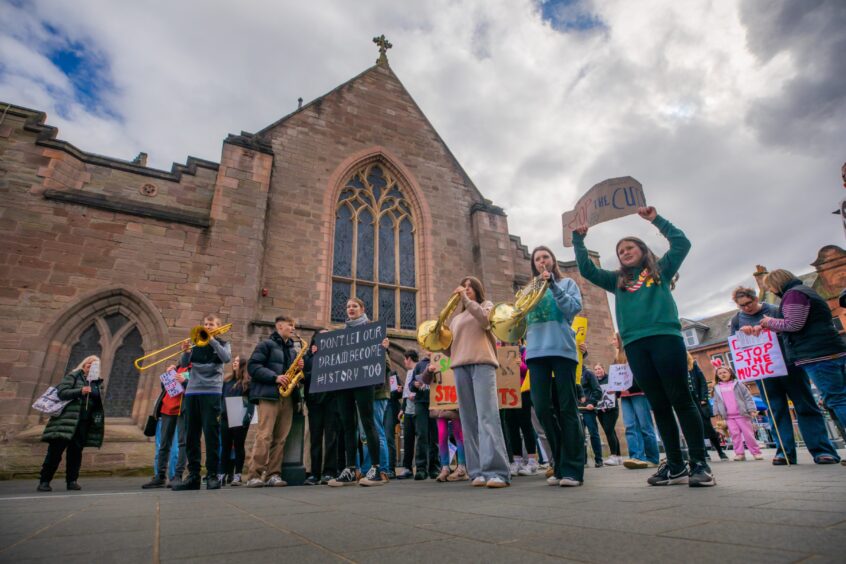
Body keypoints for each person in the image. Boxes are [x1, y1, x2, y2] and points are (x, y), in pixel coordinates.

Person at [573, 206, 715, 487]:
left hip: (665, 338)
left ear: (641, 249)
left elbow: (682, 243)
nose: (624, 252)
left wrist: (655, 219)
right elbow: (587, 270)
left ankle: (699, 462)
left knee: (681, 399)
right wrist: (579, 240)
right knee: (659, 405)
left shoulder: (661, 270)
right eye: (620, 250)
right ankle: (675, 464)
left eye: (629, 247)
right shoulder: (617, 280)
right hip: (636, 346)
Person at [732, 288, 840, 464]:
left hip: (789, 366)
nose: (747, 308)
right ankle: (784, 452)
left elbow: (794, 330)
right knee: (776, 410)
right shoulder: (737, 319)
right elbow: (735, 347)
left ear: (755, 298)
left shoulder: (774, 310)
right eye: (742, 305)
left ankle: (822, 451)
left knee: (805, 406)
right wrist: (741, 334)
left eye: (749, 303)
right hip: (764, 372)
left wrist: (771, 326)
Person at [438, 276, 510, 488]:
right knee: (468, 421)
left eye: (470, 287)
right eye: (464, 287)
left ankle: (497, 471)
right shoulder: (456, 319)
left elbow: (486, 321)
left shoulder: (486, 306)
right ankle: (476, 471)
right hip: (460, 366)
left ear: (478, 290)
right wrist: (437, 339)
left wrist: (466, 300)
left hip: (482, 363)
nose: (466, 289)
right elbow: (450, 349)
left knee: (487, 416)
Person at [525, 246, 585, 487]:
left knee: (567, 409)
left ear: (552, 261)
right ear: (534, 264)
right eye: (537, 259)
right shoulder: (529, 289)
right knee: (541, 409)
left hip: (562, 350)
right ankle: (558, 464)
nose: (542, 261)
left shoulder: (567, 283)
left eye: (545, 257)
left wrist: (552, 286)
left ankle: (573, 469)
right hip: (535, 353)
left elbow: (573, 309)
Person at [759, 270, 846, 432]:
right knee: (839, 397)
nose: (771, 290)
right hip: (831, 349)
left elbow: (794, 324)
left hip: (817, 355)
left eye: (770, 286)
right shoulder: (805, 291)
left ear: (777, 283)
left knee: (837, 400)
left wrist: (770, 322)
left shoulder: (794, 295)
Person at [328, 298, 388, 487]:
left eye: (354, 306)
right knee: (347, 425)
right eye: (347, 306)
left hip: (364, 382)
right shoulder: (342, 335)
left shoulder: (373, 332)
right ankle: (350, 468)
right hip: (345, 383)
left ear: (362, 309)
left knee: (368, 423)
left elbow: (384, 364)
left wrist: (382, 350)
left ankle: (377, 468)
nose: (350, 309)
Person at [173, 315, 231, 491]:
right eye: (205, 324)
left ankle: (212, 475)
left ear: (218, 327)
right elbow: (183, 365)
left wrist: (212, 340)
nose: (207, 327)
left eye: (211, 324)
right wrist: (186, 351)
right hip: (192, 392)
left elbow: (226, 358)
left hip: (211, 392)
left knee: (211, 435)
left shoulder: (222, 343)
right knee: (191, 435)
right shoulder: (195, 343)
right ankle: (193, 476)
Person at [243, 315, 302, 488]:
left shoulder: (292, 350)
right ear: (279, 326)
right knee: (264, 435)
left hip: (287, 397)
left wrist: (298, 370)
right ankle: (254, 474)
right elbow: (253, 366)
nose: (293, 328)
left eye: (294, 325)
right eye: (290, 325)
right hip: (269, 395)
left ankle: (273, 474)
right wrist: (275, 377)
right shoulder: (265, 345)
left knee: (281, 438)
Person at [38, 356, 104, 492]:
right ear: (84, 364)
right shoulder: (73, 376)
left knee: (75, 453)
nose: (91, 366)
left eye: (95, 365)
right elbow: (61, 393)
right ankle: (44, 481)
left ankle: (72, 481)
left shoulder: (97, 383)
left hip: (83, 423)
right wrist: (80, 391)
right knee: (55, 453)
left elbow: (97, 402)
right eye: (89, 363)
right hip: (66, 421)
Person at [614, 336, 660, 470]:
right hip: (625, 396)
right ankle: (636, 457)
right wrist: (615, 389)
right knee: (630, 426)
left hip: (638, 393)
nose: (612, 342)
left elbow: (641, 374)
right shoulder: (617, 358)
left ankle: (652, 458)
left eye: (614, 339)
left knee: (645, 426)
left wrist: (630, 387)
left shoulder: (633, 354)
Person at [302, 330, 340, 485]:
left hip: (332, 401)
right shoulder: (308, 358)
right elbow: (304, 377)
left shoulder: (337, 356)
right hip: (315, 401)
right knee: (315, 437)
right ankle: (314, 473)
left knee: (331, 438)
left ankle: (330, 472)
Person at [142, 364, 188, 489]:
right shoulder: (177, 367)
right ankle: (160, 477)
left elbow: (197, 388)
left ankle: (177, 476)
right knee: (164, 444)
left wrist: (185, 381)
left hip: (182, 410)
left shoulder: (195, 367)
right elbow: (165, 389)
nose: (186, 349)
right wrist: (168, 375)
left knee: (183, 443)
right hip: (167, 409)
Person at [711, 366, 762, 461]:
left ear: (730, 373)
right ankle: (739, 454)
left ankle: (756, 452)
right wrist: (716, 411)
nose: (722, 375)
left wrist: (751, 409)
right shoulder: (717, 388)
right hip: (729, 417)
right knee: (735, 435)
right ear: (717, 376)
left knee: (748, 435)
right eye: (720, 373)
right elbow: (716, 401)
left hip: (742, 414)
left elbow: (748, 397)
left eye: (724, 372)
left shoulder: (738, 384)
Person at [504, 344, 540, 476]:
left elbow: (529, 371)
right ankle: (517, 461)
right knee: (512, 427)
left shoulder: (524, 350)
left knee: (526, 426)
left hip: (522, 392)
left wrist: (521, 365)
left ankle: (532, 461)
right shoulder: (499, 350)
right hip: (507, 393)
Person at [687, 354, 729, 462]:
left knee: (708, 428)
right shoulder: (675, 368)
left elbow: (702, 382)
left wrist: (704, 398)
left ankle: (720, 451)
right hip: (688, 403)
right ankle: (704, 453)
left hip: (700, 402)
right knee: (693, 430)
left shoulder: (693, 365)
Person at [220, 355, 254, 485]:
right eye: (234, 361)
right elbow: (221, 398)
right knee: (226, 446)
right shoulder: (227, 381)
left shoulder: (247, 382)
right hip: (225, 417)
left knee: (239, 446)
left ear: (243, 364)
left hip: (240, 417)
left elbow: (251, 401)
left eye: (237, 361)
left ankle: (238, 474)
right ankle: (223, 473)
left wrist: (248, 416)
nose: (234, 363)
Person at [593, 363, 623, 466]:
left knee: (609, 431)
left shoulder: (611, 379)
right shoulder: (594, 381)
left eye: (599, 369)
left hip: (611, 409)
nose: (598, 371)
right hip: (600, 410)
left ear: (603, 369)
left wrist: (614, 392)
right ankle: (619, 457)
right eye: (596, 369)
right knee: (610, 431)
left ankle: (613, 455)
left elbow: (618, 393)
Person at [397, 350, 419, 479]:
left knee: (421, 439)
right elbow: (406, 394)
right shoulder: (408, 373)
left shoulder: (419, 369)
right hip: (408, 411)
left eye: (405, 359)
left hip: (418, 410)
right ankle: (407, 468)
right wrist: (402, 409)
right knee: (408, 440)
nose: (404, 362)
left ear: (409, 358)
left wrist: (415, 396)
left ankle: (423, 466)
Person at [577, 364, 604, 468]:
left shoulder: (588, 373)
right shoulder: (572, 373)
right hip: (577, 409)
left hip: (588, 409)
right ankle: (583, 461)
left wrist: (592, 403)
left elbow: (597, 390)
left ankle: (599, 460)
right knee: (579, 436)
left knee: (593, 433)